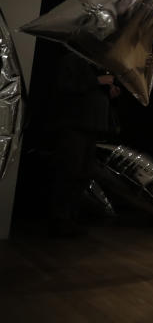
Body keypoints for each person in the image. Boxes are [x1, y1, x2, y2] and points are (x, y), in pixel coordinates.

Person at [49, 50, 122, 236]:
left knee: (84, 173)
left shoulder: (96, 63)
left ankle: (71, 218)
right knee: (69, 171)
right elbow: (64, 86)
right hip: (74, 125)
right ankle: (60, 220)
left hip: (92, 126)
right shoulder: (71, 59)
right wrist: (98, 81)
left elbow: (93, 91)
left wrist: (110, 92)